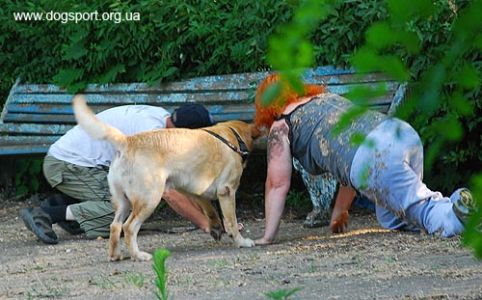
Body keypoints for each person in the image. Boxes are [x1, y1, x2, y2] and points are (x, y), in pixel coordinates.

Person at [253, 74, 476, 245]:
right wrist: (339, 213)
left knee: (423, 211)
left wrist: (267, 237)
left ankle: (456, 213)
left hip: (376, 155)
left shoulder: (281, 126)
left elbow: (277, 184)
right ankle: (459, 209)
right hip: (398, 132)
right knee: (392, 216)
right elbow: (346, 164)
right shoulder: (325, 99)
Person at [20, 102, 217, 244]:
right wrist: (208, 226)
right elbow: (168, 192)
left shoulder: (161, 119)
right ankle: (46, 213)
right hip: (66, 166)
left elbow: (178, 184)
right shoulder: (151, 137)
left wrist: (214, 218)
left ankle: (66, 206)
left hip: (82, 164)